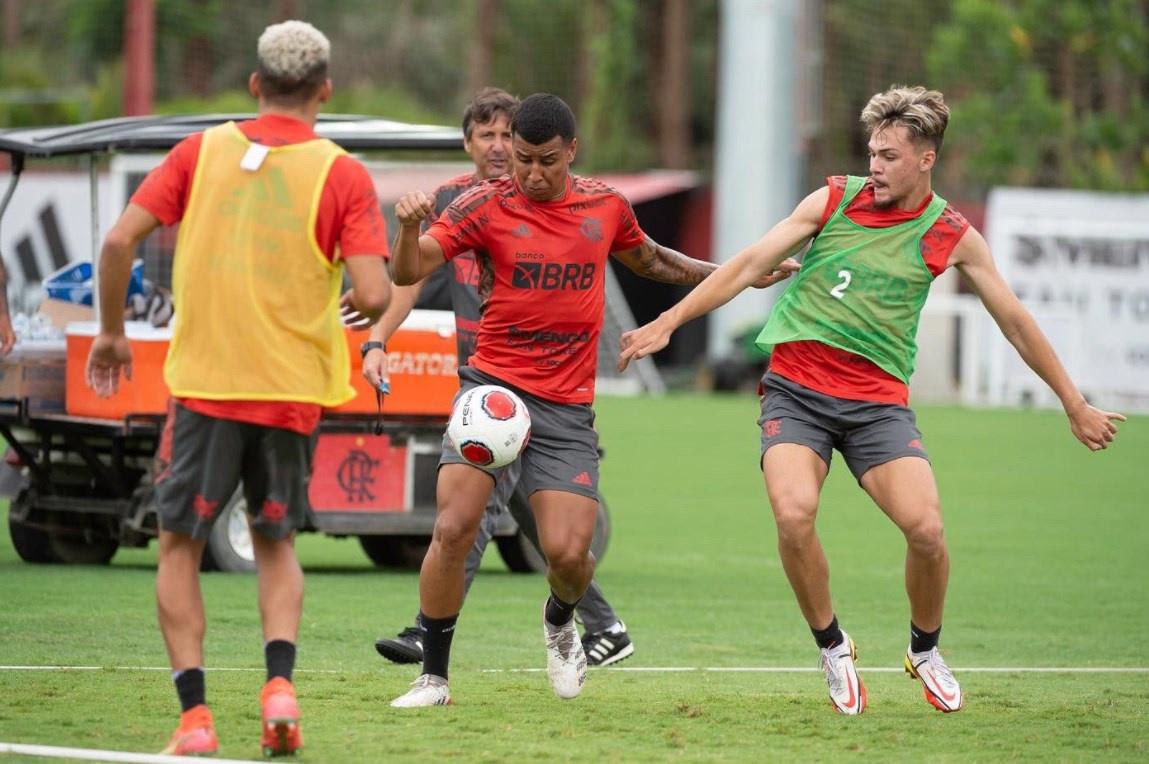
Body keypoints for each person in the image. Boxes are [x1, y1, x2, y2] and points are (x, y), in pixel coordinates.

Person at [618, 85, 1125, 716]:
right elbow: (749, 263)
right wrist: (670, 321)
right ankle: (833, 646)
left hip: (877, 406)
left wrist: (1073, 403)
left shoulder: (951, 234)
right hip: (796, 391)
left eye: (888, 155)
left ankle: (925, 649)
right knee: (794, 514)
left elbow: (1015, 321)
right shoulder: (834, 197)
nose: (875, 166)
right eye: (871, 153)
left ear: (925, 159)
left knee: (928, 531)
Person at [386, 93, 796, 708]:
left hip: (566, 407)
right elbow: (405, 271)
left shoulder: (605, 206)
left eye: (545, 160)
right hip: (492, 390)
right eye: (522, 159)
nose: (530, 172)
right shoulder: (483, 204)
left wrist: (733, 272)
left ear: (571, 151)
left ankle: (561, 624)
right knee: (454, 525)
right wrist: (409, 224)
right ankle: (434, 677)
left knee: (570, 554)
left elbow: (653, 260)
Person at [85, 21, 390, 755]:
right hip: (290, 392)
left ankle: (194, 718)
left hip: (205, 388)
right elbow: (375, 292)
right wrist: (365, 300)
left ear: (255, 85)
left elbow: (119, 241)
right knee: (275, 539)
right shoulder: (341, 172)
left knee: (179, 545)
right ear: (325, 90)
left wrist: (112, 331)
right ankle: (278, 686)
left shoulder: (201, 150)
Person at [365, 88, 636, 670]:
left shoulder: (583, 205)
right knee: (472, 516)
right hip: (484, 380)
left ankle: (592, 622)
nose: (496, 146)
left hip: (551, 387)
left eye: (502, 133)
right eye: (485, 136)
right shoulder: (456, 201)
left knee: (528, 524)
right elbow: (408, 280)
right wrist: (377, 338)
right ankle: (443, 645)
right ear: (470, 144)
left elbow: (651, 257)